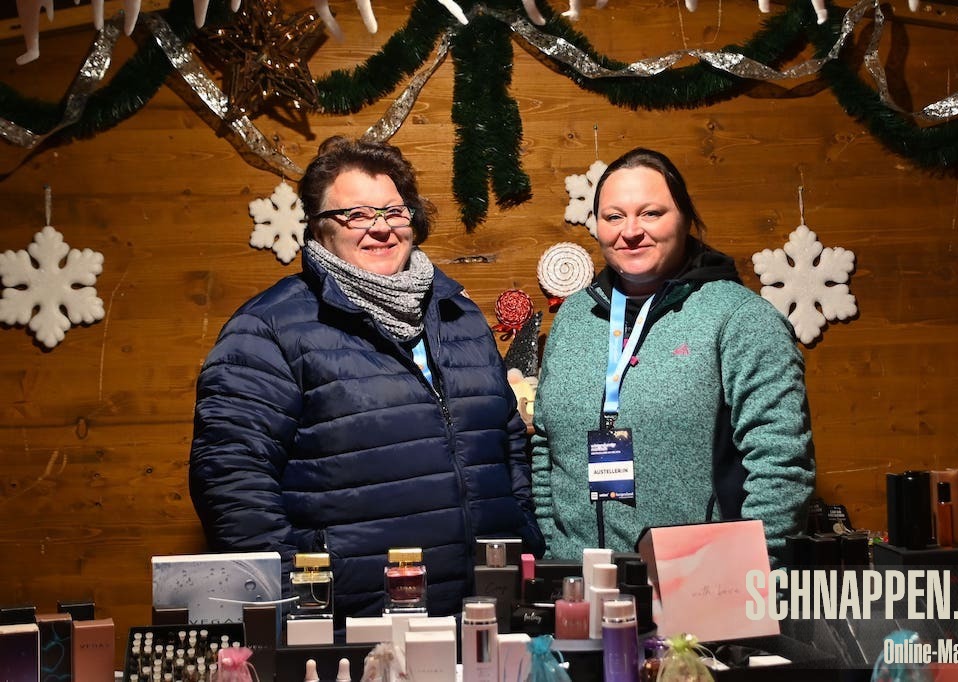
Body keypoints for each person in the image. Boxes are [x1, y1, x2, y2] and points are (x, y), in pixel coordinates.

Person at [189, 136, 545, 625]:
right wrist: (300, 600)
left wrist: (522, 532)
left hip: (484, 614)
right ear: (320, 228)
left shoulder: (459, 315)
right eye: (356, 215)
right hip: (355, 625)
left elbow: (508, 440)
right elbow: (231, 481)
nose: (381, 228)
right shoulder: (268, 329)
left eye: (394, 212)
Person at [530, 147, 814, 564]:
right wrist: (555, 550)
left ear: (685, 218)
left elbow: (782, 464)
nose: (630, 231)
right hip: (579, 580)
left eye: (651, 213)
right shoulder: (574, 316)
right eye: (613, 216)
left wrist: (747, 572)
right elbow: (545, 446)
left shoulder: (739, 318)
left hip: (698, 583)